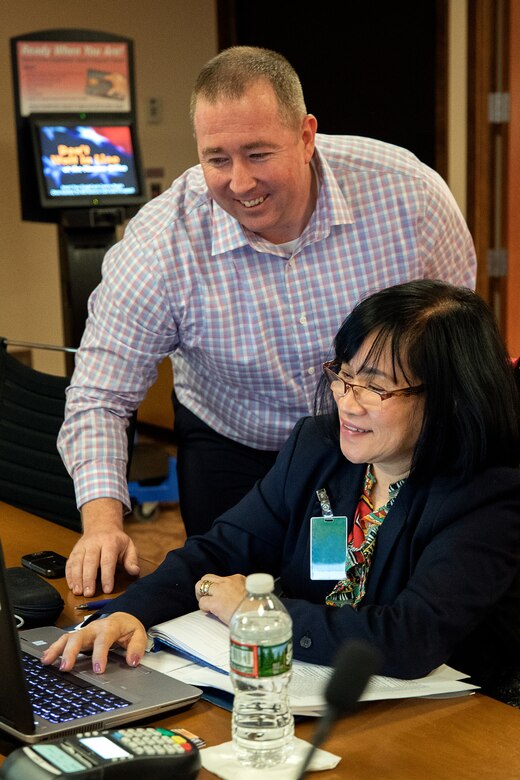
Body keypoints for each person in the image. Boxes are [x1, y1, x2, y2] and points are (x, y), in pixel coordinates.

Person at [58, 46, 477, 598]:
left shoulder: (406, 194)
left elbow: (458, 344)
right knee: (226, 596)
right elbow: (100, 396)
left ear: (306, 136)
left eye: (258, 154)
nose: (239, 182)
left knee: (341, 593)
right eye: (217, 159)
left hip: (378, 449)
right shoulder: (163, 244)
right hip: (235, 445)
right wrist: (103, 524)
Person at [45, 280, 520, 694]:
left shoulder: (488, 494)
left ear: (448, 397)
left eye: (375, 388)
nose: (347, 403)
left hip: (453, 719)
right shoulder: (317, 448)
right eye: (344, 375)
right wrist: (130, 613)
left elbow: (410, 639)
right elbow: (222, 548)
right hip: (313, 689)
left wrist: (260, 615)